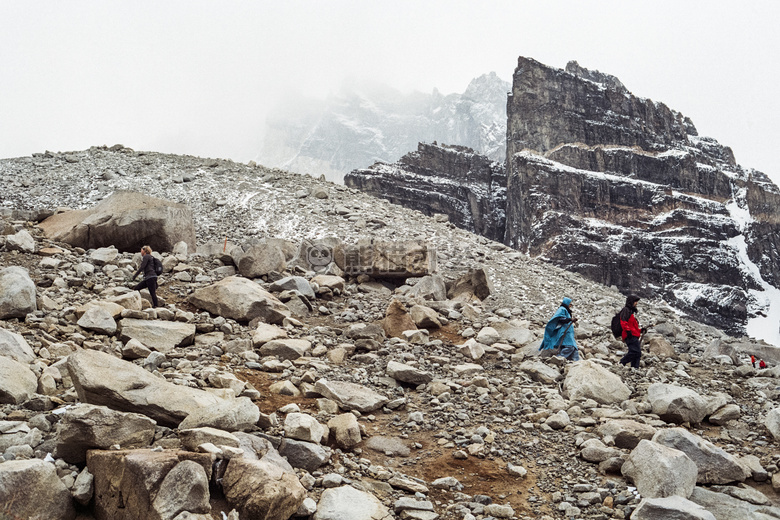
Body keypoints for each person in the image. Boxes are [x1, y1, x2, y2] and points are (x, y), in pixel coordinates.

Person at [539, 297, 580, 361]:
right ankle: (559, 358)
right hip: (565, 331)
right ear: (567, 303)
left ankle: (577, 362)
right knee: (570, 346)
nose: (571, 306)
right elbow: (561, 319)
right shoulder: (562, 309)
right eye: (570, 304)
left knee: (574, 347)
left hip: (568, 332)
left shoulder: (566, 310)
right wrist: (570, 319)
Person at [619, 294, 646, 368]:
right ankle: (622, 363)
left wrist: (640, 331)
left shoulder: (631, 312)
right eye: (635, 301)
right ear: (631, 302)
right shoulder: (626, 310)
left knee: (637, 353)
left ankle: (634, 368)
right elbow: (623, 322)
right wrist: (628, 331)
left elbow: (633, 326)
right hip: (629, 335)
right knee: (635, 352)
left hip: (632, 334)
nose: (636, 303)